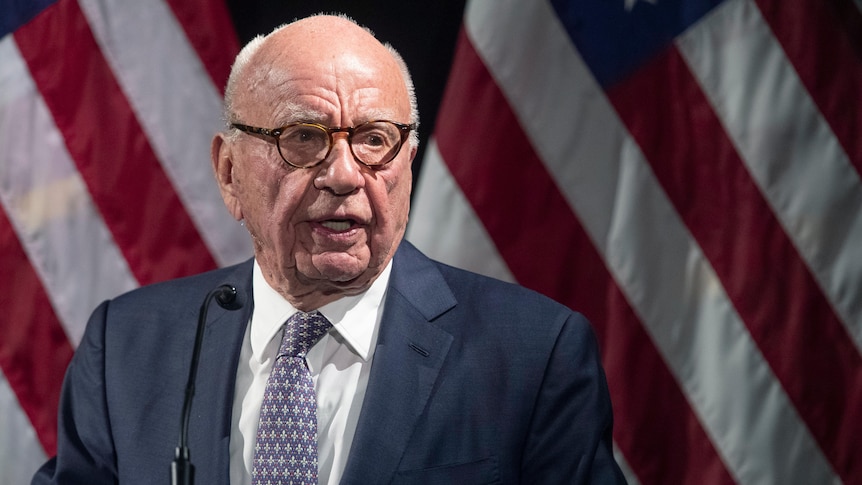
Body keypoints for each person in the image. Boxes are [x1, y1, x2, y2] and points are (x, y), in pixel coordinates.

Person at [33, 14, 625, 485]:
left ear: (408, 168)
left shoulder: (533, 357)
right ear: (230, 172)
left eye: (374, 140)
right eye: (304, 138)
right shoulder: (127, 348)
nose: (344, 174)